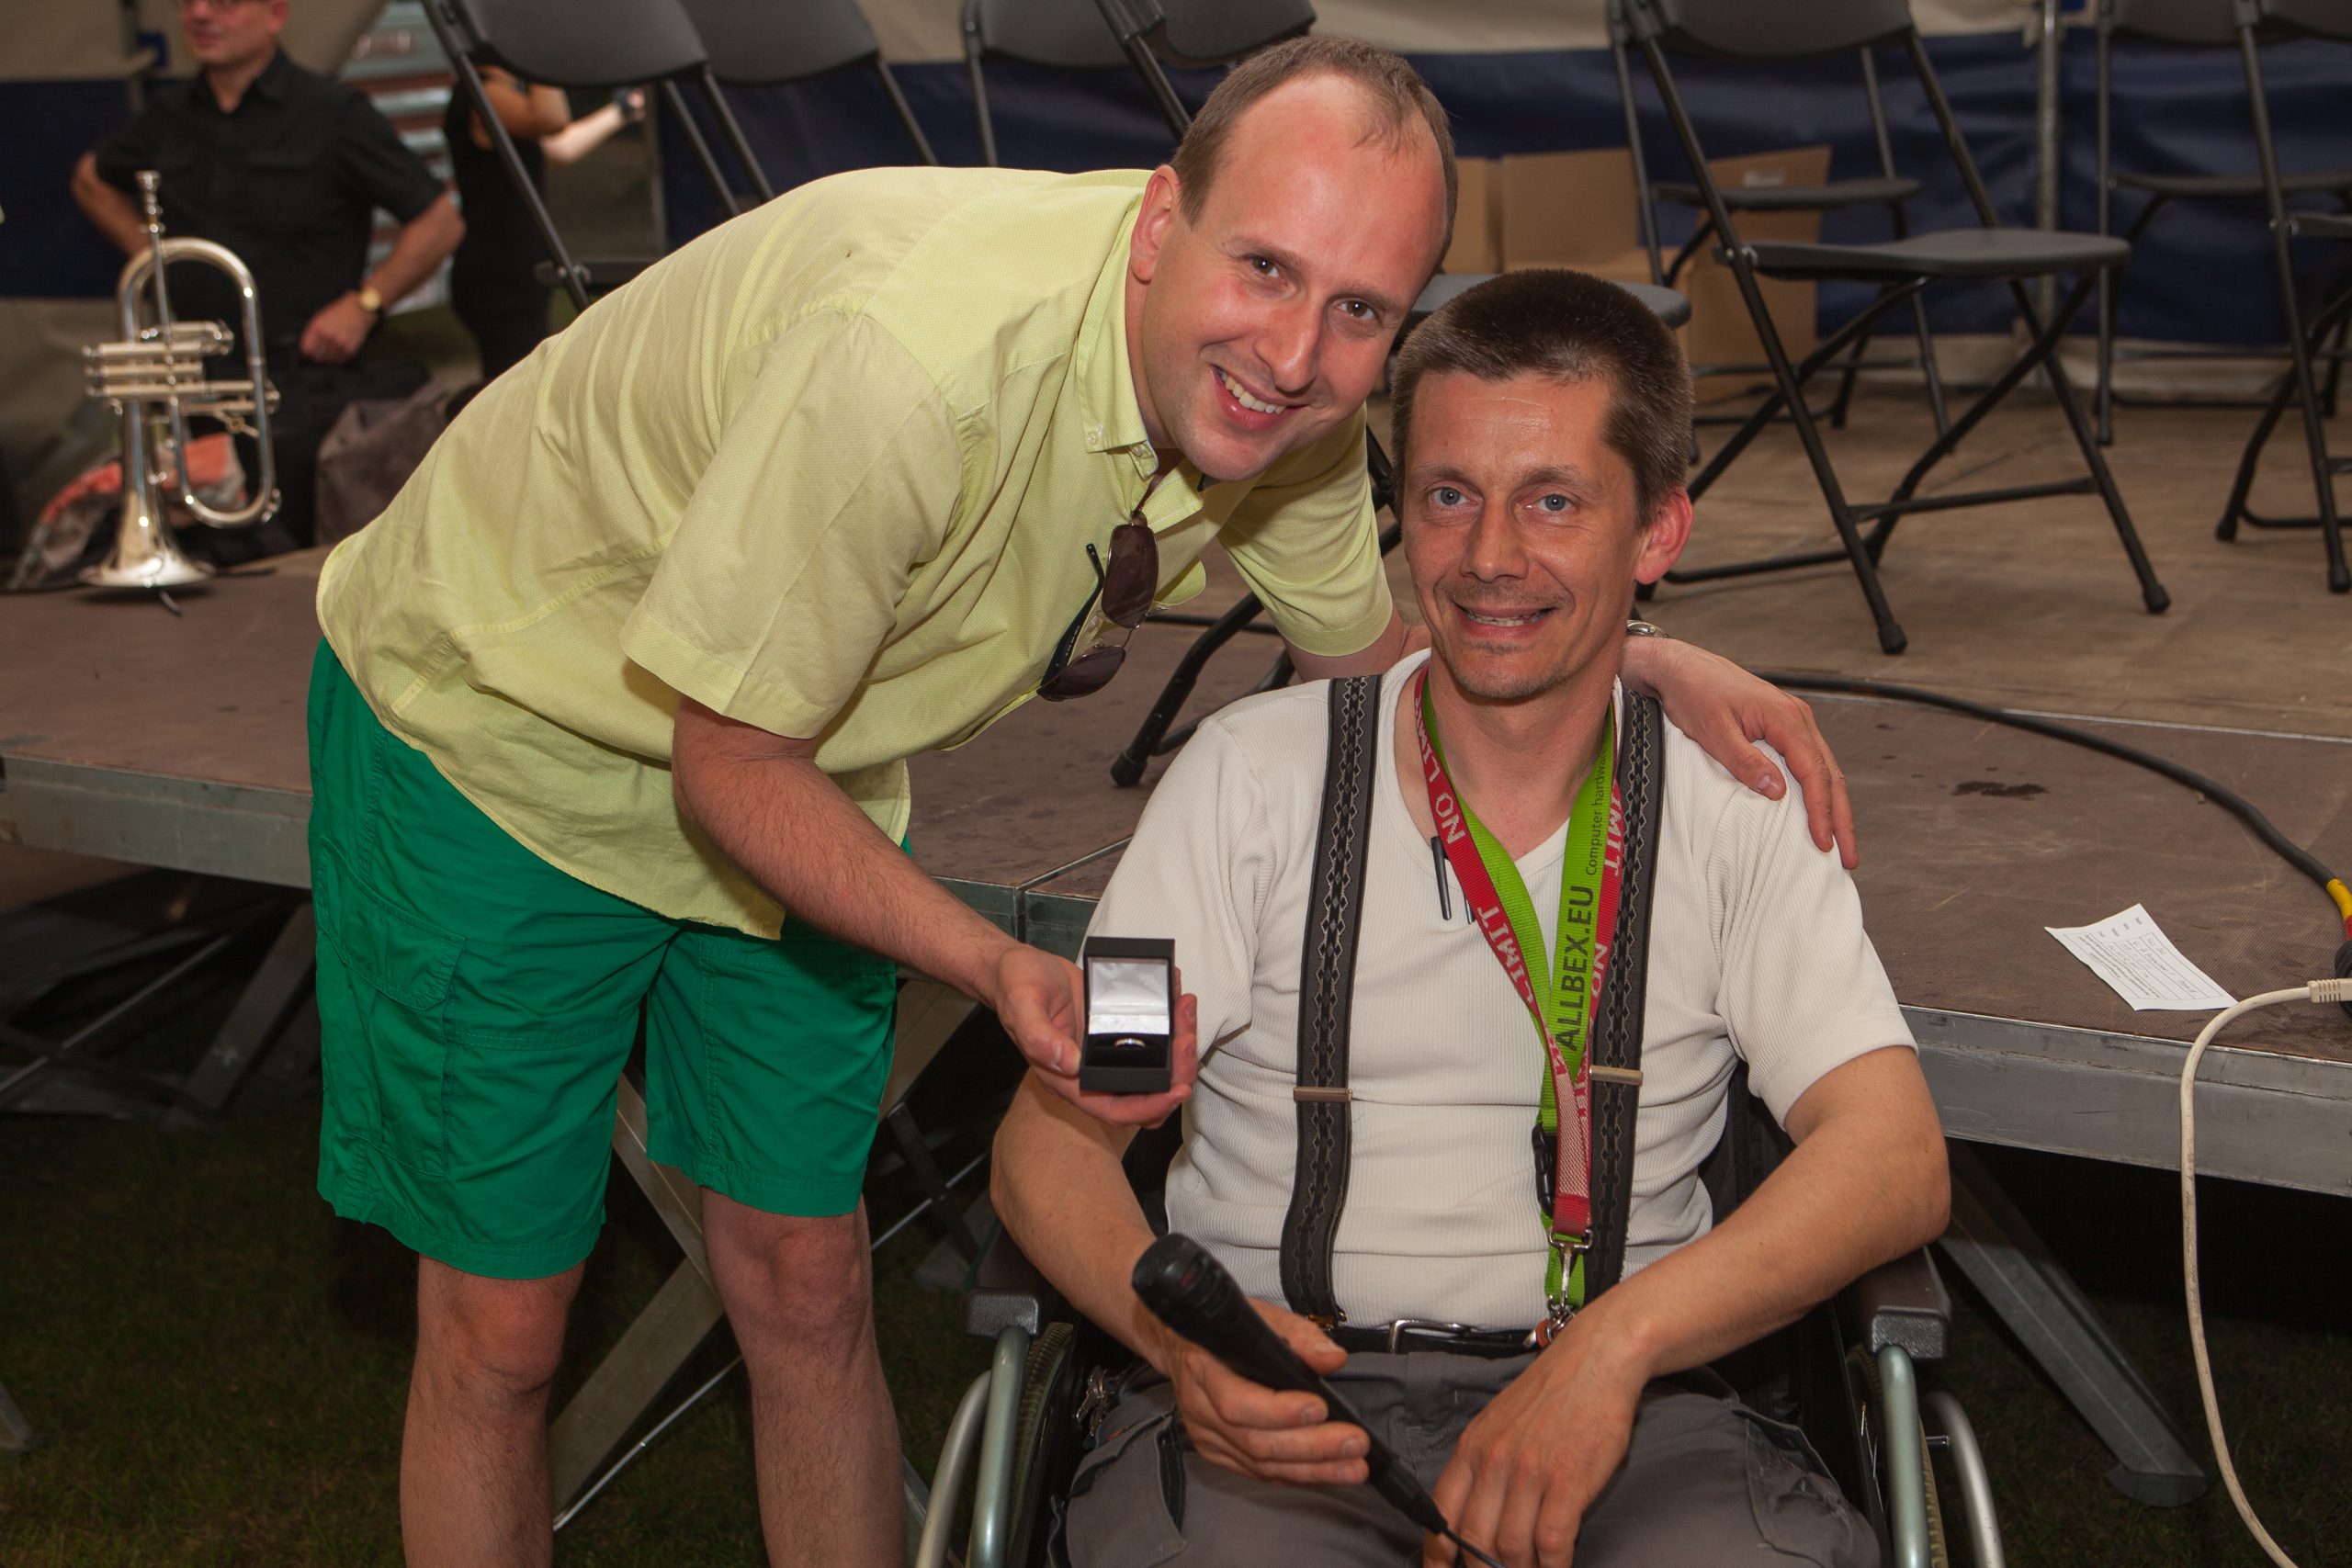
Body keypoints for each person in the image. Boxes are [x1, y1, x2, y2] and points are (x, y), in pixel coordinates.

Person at [309, 38, 1860, 1568]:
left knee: (806, 1279)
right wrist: (995, 963)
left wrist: (1622, 646)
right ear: (1160, 220)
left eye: (1360, 309)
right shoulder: (911, 369)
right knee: (504, 1329)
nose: (1295, 352)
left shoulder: (1293, 416)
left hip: (794, 743)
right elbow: (729, 759)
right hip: (506, 727)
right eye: (1265, 266)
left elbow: (1379, 660)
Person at [989, 268, 1951, 1568]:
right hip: (1282, 1410)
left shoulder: (1740, 806)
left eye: (1552, 500)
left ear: (1658, 531)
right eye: (1450, 495)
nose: (1490, 556)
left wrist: (1618, 1345)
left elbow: (1894, 1155)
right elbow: (1054, 1139)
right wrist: (1175, 1341)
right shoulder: (1241, 781)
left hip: (1636, 1406)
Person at [70, 0, 464, 554]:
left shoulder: (332, 111)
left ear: (275, 14)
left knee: (288, 551)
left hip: (303, 389)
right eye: (189, 2)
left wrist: (365, 303)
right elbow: (91, 179)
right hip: (203, 382)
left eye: (224, 3)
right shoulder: (169, 114)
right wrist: (154, 257)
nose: (201, 15)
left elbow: (439, 221)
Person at [442, 72, 645, 380]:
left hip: (515, 267)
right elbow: (551, 119)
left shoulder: (506, 97)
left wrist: (622, 110)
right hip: (497, 270)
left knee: (518, 378)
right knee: (515, 383)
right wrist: (537, 65)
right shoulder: (484, 92)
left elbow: (560, 147)